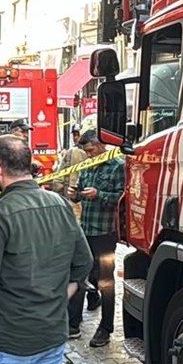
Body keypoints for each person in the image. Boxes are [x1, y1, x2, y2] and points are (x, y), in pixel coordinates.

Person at [0, 135, 92, 364]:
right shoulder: (60, 205)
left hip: (7, 338)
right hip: (51, 334)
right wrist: (59, 298)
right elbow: (84, 263)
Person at [67, 130, 125, 347]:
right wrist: (75, 195)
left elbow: (123, 197)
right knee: (79, 274)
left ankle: (106, 327)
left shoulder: (117, 165)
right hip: (85, 230)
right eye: (86, 151)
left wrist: (99, 194)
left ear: (101, 145)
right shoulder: (87, 165)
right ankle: (73, 323)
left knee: (106, 281)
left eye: (91, 150)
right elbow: (81, 190)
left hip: (105, 232)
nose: (89, 155)